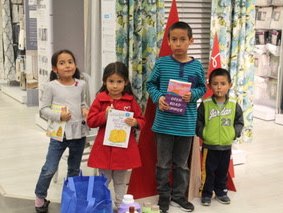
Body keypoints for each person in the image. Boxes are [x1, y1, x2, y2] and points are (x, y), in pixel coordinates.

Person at [146, 21, 206, 213]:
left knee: (181, 165)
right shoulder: (162, 63)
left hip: (186, 125)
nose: (178, 43)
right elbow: (150, 85)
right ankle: (164, 197)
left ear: (191, 41)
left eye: (182, 39)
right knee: (162, 164)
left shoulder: (196, 66)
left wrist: (193, 95)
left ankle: (179, 196)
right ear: (168, 42)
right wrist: (159, 97)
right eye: (174, 40)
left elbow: (203, 88)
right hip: (163, 124)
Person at [34, 49, 89, 213]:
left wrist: (85, 110)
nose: (67, 66)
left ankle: (71, 198)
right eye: (62, 63)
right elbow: (43, 109)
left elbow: (84, 103)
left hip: (79, 133)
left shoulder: (82, 84)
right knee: (49, 167)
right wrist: (59, 116)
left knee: (74, 168)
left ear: (75, 65)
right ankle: (40, 197)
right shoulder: (51, 86)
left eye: (70, 62)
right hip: (59, 134)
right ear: (54, 68)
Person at [87, 61, 145, 208]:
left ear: (125, 82)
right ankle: (103, 205)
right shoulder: (100, 100)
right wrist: (104, 116)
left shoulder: (130, 101)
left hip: (123, 150)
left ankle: (121, 206)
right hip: (104, 149)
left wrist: (135, 122)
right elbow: (91, 121)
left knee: (120, 181)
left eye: (119, 81)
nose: (115, 85)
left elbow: (142, 120)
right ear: (104, 81)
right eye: (111, 81)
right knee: (104, 180)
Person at [196, 68, 244, 206]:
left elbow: (239, 121)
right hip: (209, 146)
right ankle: (206, 194)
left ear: (230, 84)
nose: (219, 87)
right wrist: (202, 133)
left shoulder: (234, 105)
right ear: (209, 85)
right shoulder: (206, 104)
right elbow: (198, 121)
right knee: (208, 171)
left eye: (223, 83)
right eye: (215, 83)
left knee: (222, 171)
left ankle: (221, 192)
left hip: (226, 146)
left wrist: (234, 133)